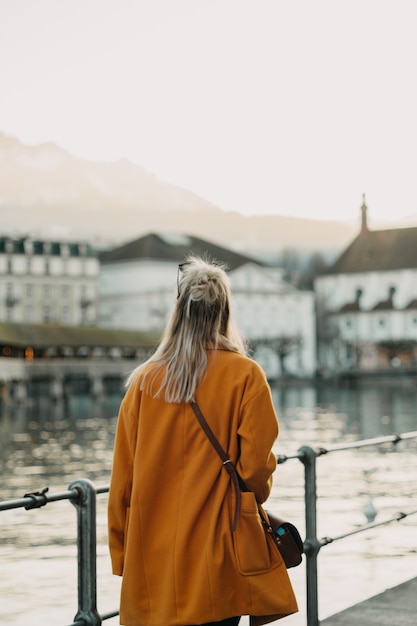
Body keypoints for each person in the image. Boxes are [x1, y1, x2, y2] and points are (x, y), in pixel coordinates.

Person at [108, 255, 298, 626]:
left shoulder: (144, 383)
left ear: (178, 314)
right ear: (225, 312)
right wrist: (254, 494)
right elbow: (256, 470)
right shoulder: (246, 375)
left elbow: (123, 481)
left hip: (153, 557)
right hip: (219, 551)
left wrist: (121, 552)